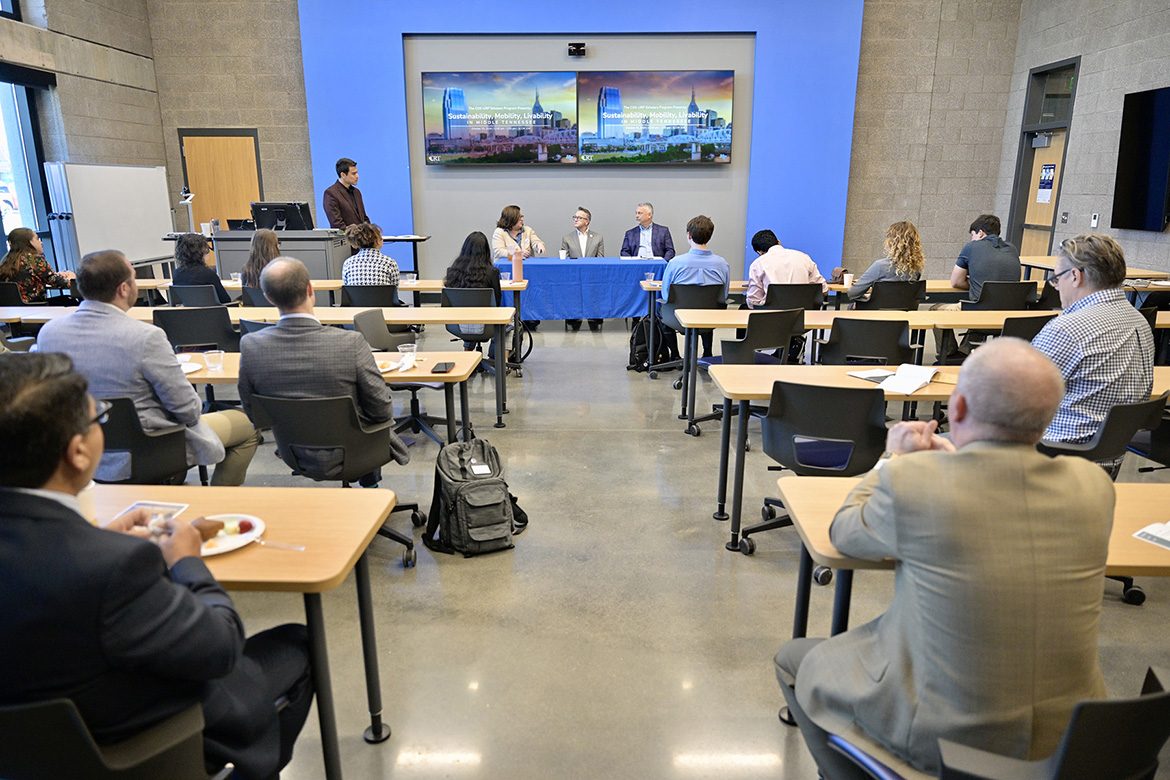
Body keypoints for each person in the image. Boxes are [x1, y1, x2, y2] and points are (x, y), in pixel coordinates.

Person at [774, 337, 1115, 777]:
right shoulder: (1093, 487)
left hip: (949, 743)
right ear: (1048, 419)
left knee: (794, 659)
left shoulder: (913, 481)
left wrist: (896, 461)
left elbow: (845, 532)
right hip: (1072, 743)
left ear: (956, 410)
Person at [0, 352, 314, 780]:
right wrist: (187, 562)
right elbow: (220, 648)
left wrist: (100, 540)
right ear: (77, 452)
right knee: (298, 645)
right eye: (100, 419)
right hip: (135, 745)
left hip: (26, 755)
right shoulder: (115, 567)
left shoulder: (98, 555)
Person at [37, 250, 258, 485]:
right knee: (248, 426)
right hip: (147, 448)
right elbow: (189, 411)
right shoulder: (145, 337)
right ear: (124, 288)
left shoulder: (49, 333)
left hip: (82, 451)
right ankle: (215, 503)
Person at [238, 257, 410, 486]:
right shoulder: (351, 343)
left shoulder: (251, 346)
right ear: (311, 289)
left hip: (294, 452)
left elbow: (254, 413)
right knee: (368, 413)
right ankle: (371, 488)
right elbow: (381, 409)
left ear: (268, 298)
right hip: (357, 451)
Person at [1033, 233, 1154, 475]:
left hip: (1053, 460)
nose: (1056, 287)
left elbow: (1011, 399)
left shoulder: (1067, 330)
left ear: (1075, 276)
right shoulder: (1140, 322)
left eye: (1056, 279)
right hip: (1109, 461)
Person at [932, 214, 1022, 361]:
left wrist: (974, 282)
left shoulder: (971, 247)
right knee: (981, 303)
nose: (971, 239)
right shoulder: (1012, 248)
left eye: (972, 235)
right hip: (1009, 316)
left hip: (980, 312)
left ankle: (948, 355)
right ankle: (965, 351)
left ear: (980, 233)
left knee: (936, 310)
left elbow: (955, 282)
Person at [660, 215, 729, 359]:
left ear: (689, 235)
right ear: (710, 236)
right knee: (708, 307)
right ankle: (707, 354)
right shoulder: (722, 264)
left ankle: (675, 356)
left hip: (677, 318)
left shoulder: (675, 263)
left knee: (661, 311)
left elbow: (665, 295)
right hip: (710, 318)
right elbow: (724, 296)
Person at [444, 231, 511, 363]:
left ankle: (467, 356)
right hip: (487, 326)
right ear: (486, 251)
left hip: (457, 325)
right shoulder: (492, 272)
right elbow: (496, 302)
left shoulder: (452, 271)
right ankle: (504, 362)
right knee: (512, 319)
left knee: (467, 313)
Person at [745, 229, 826, 307]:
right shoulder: (804, 257)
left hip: (771, 316)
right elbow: (823, 289)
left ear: (760, 252)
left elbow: (753, 301)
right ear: (779, 242)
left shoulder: (757, 264)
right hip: (804, 314)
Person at [847, 220, 924, 302]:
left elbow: (852, 293)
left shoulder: (880, 266)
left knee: (853, 306)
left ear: (892, 242)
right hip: (904, 312)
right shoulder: (916, 268)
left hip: (878, 312)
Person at [0, 226, 75, 303]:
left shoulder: (6, 262)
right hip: (36, 306)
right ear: (29, 242)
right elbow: (58, 282)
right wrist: (72, 279)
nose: (41, 242)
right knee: (70, 301)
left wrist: (57, 275)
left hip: (15, 308)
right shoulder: (34, 259)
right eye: (37, 239)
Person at [560, 206, 606, 332]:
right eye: (575, 217)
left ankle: (595, 316)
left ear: (587, 221)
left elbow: (600, 259)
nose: (575, 219)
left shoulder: (598, 237)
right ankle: (573, 317)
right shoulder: (567, 238)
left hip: (593, 275)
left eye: (579, 217)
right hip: (574, 275)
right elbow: (565, 260)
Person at [171, 232, 231, 304]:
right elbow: (225, 300)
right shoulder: (208, 274)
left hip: (189, 313)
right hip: (213, 313)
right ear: (201, 251)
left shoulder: (177, 273)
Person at [341, 222, 400, 287]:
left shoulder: (348, 263)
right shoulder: (390, 263)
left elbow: (347, 287)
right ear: (377, 240)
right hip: (382, 297)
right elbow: (394, 289)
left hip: (357, 297)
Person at [322, 156, 370, 229]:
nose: (357, 176)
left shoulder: (357, 192)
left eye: (356, 173)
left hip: (361, 239)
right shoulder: (331, 193)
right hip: (346, 239)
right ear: (343, 175)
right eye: (353, 174)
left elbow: (364, 218)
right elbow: (337, 223)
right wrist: (356, 235)